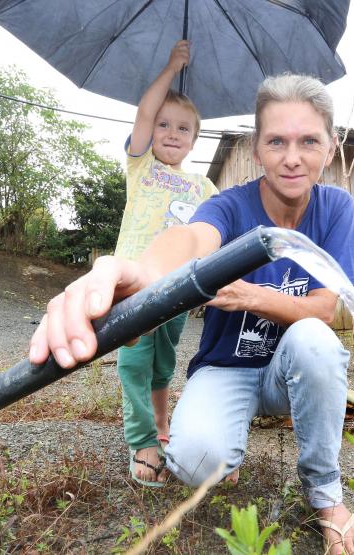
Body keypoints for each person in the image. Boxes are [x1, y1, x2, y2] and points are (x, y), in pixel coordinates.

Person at [29, 74, 354, 554]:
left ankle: (325, 495)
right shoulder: (230, 205)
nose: (292, 157)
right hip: (226, 368)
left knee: (316, 340)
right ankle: (224, 440)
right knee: (193, 461)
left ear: (330, 148)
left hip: (288, 370)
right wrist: (144, 274)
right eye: (276, 141)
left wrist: (251, 296)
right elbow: (190, 238)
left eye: (308, 141)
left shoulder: (335, 208)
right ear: (256, 149)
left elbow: (324, 308)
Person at [111, 39, 219, 487]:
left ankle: (161, 423)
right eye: (164, 124)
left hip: (177, 289)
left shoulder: (203, 187)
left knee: (162, 362)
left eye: (183, 128)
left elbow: (215, 236)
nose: (172, 133)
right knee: (133, 363)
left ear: (194, 139)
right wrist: (173, 66)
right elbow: (143, 112)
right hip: (133, 286)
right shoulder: (141, 167)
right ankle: (142, 441)